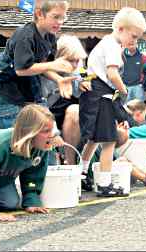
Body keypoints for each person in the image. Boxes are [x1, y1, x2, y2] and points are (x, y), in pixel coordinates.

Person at [79, 7, 146, 197]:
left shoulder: (104, 43)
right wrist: (123, 90)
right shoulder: (113, 46)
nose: (134, 41)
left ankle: (82, 173)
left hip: (93, 96)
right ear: (120, 29)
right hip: (103, 97)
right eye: (133, 36)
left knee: (93, 138)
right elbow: (112, 73)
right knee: (109, 141)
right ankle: (105, 183)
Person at [0, 0, 75, 129]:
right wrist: (53, 64)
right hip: (6, 92)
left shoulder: (50, 37)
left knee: (45, 129)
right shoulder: (24, 35)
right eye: (56, 17)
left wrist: (59, 79)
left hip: (28, 89)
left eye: (63, 17)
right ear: (39, 14)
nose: (60, 21)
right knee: (17, 138)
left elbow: (41, 66)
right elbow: (22, 69)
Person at [0, 104, 64, 221]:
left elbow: (33, 178)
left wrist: (31, 200)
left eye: (52, 130)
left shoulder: (41, 146)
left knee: (10, 203)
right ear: (29, 132)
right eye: (46, 131)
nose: (52, 135)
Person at [40, 34, 90, 165]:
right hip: (46, 116)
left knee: (75, 111)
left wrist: (83, 83)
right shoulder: (43, 73)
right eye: (70, 60)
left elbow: (87, 77)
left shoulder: (80, 70)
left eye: (77, 60)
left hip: (71, 118)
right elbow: (40, 109)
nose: (75, 65)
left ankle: (71, 162)